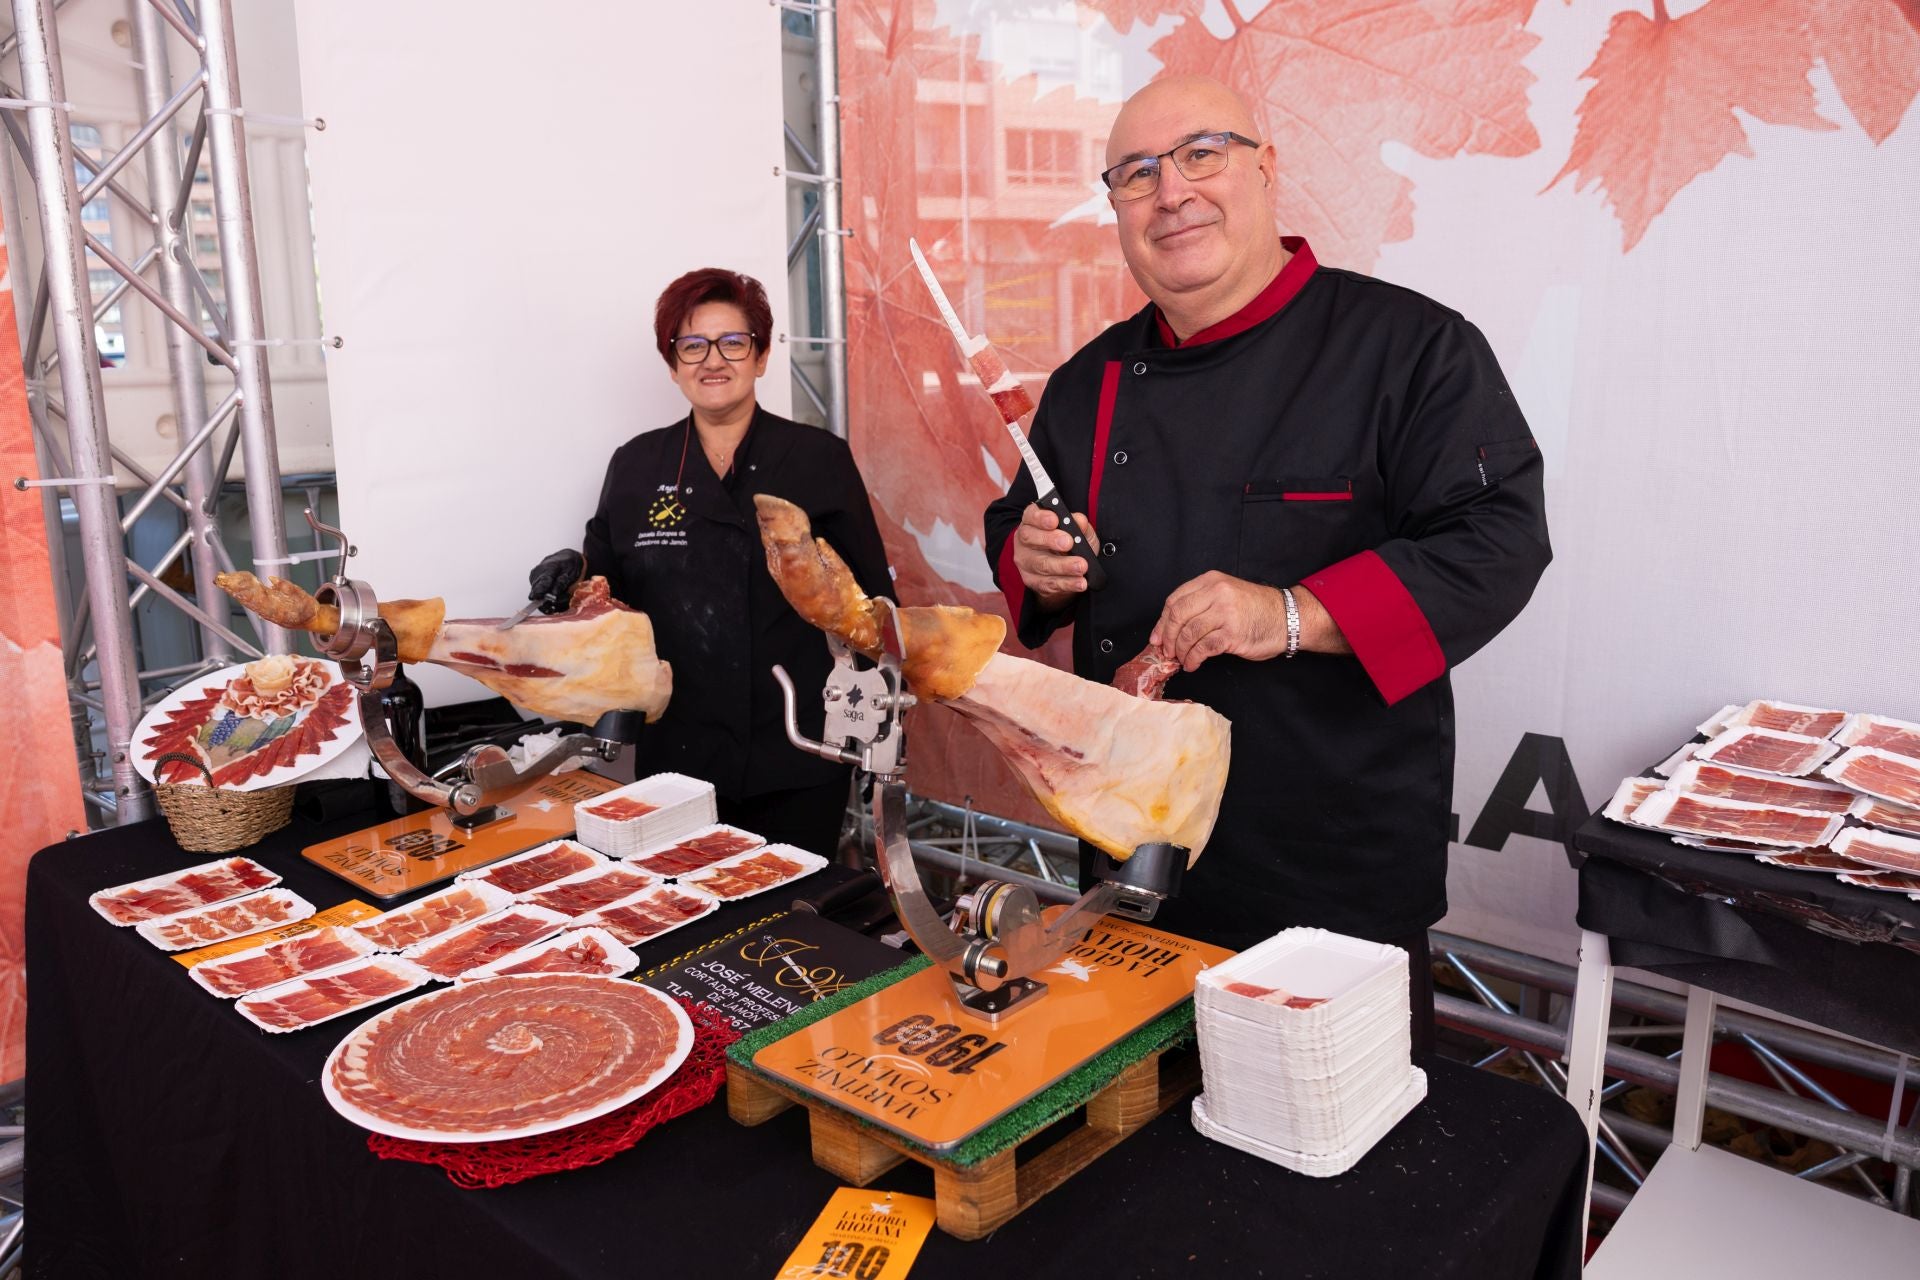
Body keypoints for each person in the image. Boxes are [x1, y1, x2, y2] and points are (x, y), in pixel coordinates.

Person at [982, 76, 1551, 1055]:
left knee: (1327, 1176)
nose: (1171, 192)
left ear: (1267, 168)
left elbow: (1497, 537)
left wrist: (1290, 612)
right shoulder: (1088, 381)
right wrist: (1032, 557)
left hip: (1327, 872)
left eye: (1202, 154)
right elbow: (1022, 518)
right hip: (1133, 857)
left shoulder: (1411, 350)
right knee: (1137, 1158)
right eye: (1136, 173)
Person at [529, 268, 892, 855]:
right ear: (672, 364)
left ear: (762, 355)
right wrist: (573, 579)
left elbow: (873, 604)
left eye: (733, 342)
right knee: (685, 912)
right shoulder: (638, 465)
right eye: (691, 345)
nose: (712, 360)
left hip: (797, 747)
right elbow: (604, 598)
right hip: (677, 753)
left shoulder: (816, 459)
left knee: (792, 921)